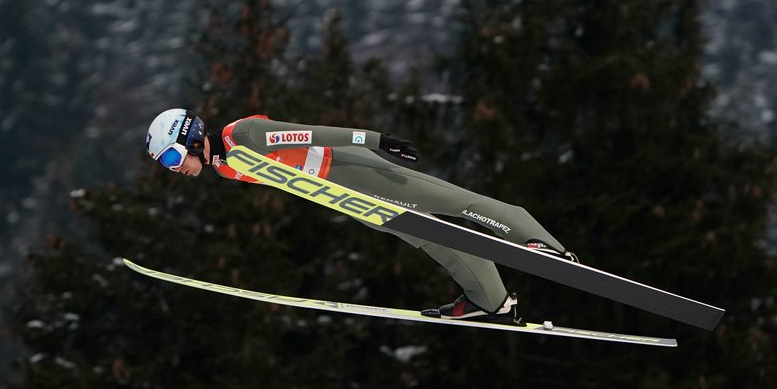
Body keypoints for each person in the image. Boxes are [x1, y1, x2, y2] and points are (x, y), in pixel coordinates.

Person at [145, 108, 578, 323]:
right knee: (433, 238)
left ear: (190, 136)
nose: (174, 169)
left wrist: (376, 140)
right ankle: (491, 300)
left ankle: (543, 246)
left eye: (170, 156)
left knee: (455, 202)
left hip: (354, 170)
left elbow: (313, 135)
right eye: (165, 164)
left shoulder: (242, 136)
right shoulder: (222, 166)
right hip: (346, 196)